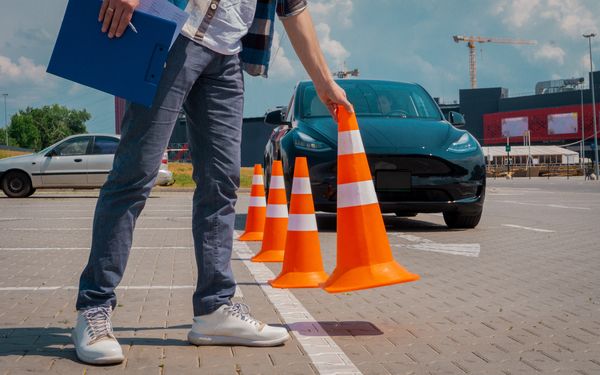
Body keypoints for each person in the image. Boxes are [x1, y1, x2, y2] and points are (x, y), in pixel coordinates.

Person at [71, 0, 353, 365]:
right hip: (175, 35)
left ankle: (214, 308)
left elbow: (293, 8)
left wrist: (325, 82)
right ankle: (94, 307)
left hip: (227, 54)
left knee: (221, 183)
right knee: (134, 175)